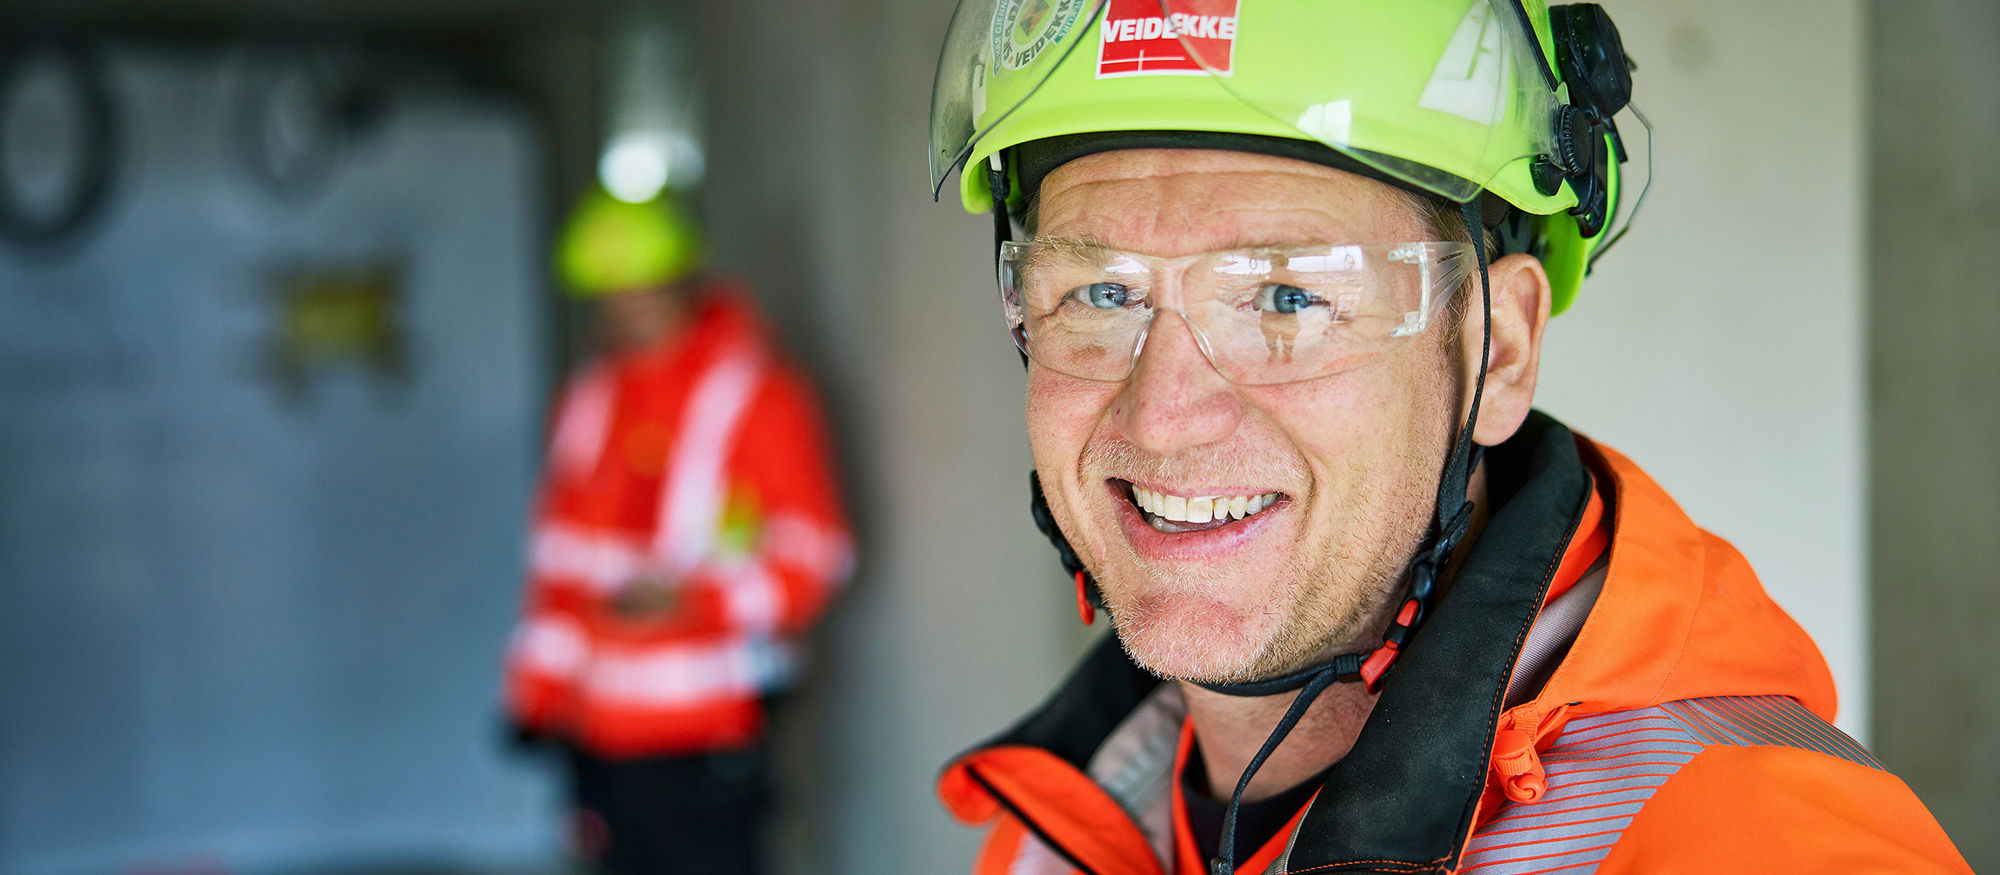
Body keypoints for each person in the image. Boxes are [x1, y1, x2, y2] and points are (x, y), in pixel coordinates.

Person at [924, 1, 1970, 872]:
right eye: (1100, 291)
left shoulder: (1744, 842)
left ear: (1498, 348)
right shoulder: (1068, 813)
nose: (1160, 413)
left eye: (1287, 295)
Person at [504, 187, 852, 874]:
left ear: (685, 280)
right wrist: (537, 691)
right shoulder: (590, 399)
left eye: (644, 289)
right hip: (599, 726)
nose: (628, 310)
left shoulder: (759, 397)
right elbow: (559, 559)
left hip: (713, 725)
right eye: (611, 294)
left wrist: (696, 602)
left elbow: (818, 555)